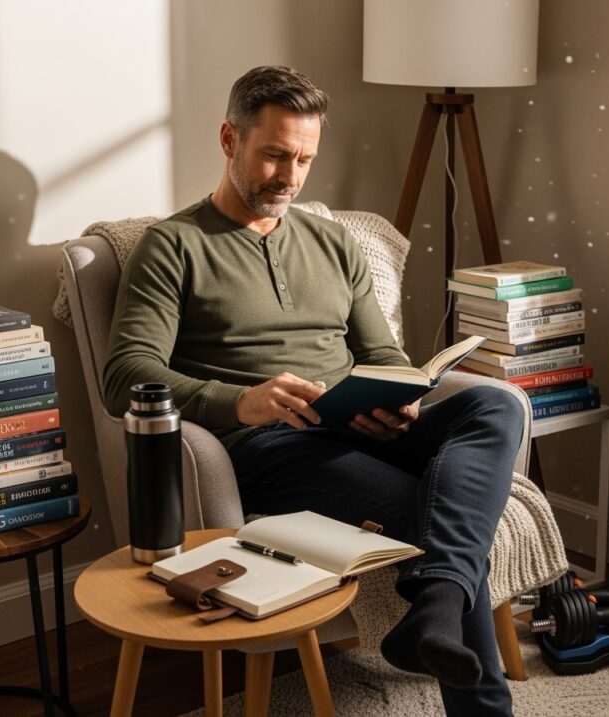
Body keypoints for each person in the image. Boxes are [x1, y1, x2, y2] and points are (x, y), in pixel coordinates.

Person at [103, 65, 523, 715]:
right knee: (438, 514)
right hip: (272, 447)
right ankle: (471, 676)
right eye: (275, 155)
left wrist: (401, 397)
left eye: (304, 159)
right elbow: (126, 374)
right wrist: (240, 400)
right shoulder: (173, 246)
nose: (290, 177)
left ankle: (436, 605)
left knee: (493, 404)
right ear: (229, 139)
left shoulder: (333, 242)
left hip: (359, 425)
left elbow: (382, 353)